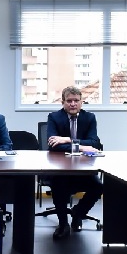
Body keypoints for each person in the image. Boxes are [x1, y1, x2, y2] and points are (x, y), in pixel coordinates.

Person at [47, 86, 103, 240]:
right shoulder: (54, 117)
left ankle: (78, 213)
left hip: (83, 167)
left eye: (76, 101)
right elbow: (54, 145)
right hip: (60, 166)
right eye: (69, 101)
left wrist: (67, 139)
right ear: (63, 102)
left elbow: (95, 143)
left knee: (98, 187)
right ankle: (63, 224)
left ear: (81, 102)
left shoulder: (89, 118)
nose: (73, 104)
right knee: (59, 185)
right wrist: (84, 146)